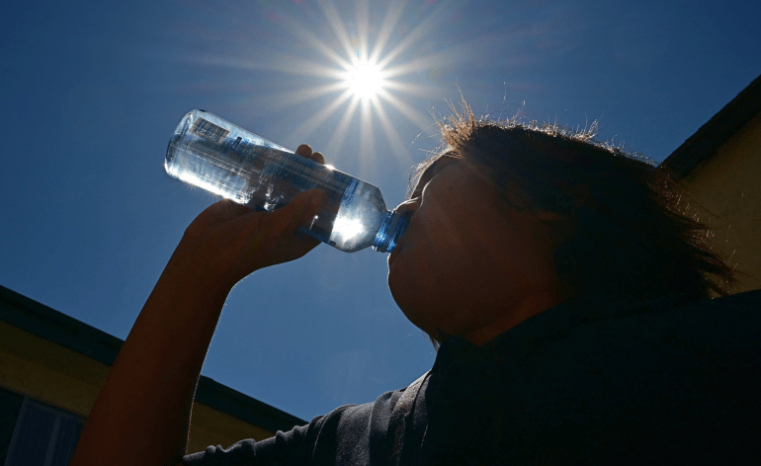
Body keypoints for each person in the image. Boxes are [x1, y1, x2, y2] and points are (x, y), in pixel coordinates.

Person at [71, 104, 760, 466]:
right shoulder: (355, 440)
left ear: (552, 202)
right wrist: (199, 268)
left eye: (428, 183)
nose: (400, 208)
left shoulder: (707, 361)